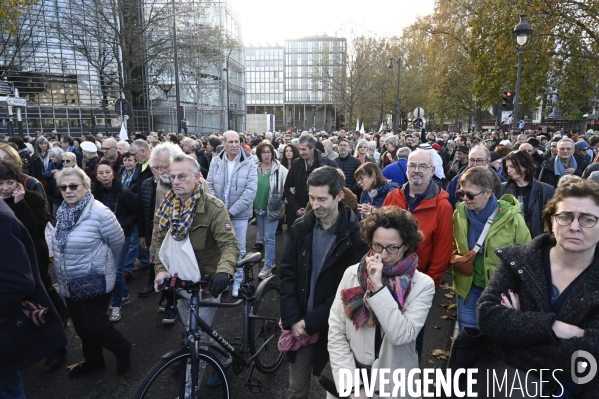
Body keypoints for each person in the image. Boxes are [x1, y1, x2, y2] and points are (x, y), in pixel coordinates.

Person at [478, 179, 599, 397]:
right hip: (505, 384)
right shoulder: (518, 259)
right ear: (551, 220)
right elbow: (489, 317)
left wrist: (518, 328)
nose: (574, 226)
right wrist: (556, 328)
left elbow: (592, 355)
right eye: (565, 216)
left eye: (588, 219)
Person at [327, 207, 435, 398]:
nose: (383, 255)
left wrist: (378, 288)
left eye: (392, 248)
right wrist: (352, 386)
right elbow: (336, 331)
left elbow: (401, 335)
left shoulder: (423, 285)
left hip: (394, 383)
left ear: (407, 245)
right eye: (377, 245)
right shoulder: (352, 274)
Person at [280, 166, 368, 398]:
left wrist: (309, 322)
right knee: (296, 389)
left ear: (339, 195)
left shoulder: (356, 237)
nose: (315, 205)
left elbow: (353, 291)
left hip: (337, 329)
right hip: (300, 324)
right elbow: (287, 275)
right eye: (311, 197)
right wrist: (293, 319)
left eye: (321, 199)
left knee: (339, 390)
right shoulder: (301, 228)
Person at [153, 154, 239, 390]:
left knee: (196, 339)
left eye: (182, 176)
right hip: (181, 284)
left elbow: (229, 244)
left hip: (206, 285)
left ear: (197, 177)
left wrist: (224, 272)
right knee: (198, 333)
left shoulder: (213, 207)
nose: (176, 181)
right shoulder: (168, 206)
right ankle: (224, 359)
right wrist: (160, 271)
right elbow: (161, 244)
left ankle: (190, 391)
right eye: (172, 177)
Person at [52, 167, 130, 377]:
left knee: (94, 324)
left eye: (74, 186)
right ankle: (94, 360)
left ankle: (122, 349)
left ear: (86, 187)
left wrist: (99, 262)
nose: (68, 191)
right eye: (64, 187)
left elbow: (117, 242)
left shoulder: (100, 212)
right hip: (69, 279)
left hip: (95, 277)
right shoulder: (63, 211)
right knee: (81, 327)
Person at [382, 149, 453, 361]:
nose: (416, 171)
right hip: (386, 279)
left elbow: (442, 250)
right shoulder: (392, 197)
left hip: (417, 282)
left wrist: (429, 283)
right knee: (383, 334)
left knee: (412, 338)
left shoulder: (442, 205)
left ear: (432, 171)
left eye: (423, 166)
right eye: (412, 165)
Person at [0, 159, 69, 375]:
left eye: (9, 182)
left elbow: (38, 228)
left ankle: (57, 340)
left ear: (18, 182)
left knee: (43, 295)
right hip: (10, 261)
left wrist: (20, 204)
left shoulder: (33, 199)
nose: (4, 188)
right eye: (0, 183)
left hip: (33, 258)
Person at [452, 166, 531, 331]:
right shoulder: (459, 214)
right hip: (468, 285)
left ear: (488, 193)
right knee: (467, 334)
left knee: (494, 336)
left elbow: (526, 256)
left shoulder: (511, 218)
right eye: (461, 193)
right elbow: (455, 243)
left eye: (470, 194)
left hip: (499, 290)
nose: (465, 198)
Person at [207, 130, 257, 297]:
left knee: (239, 248)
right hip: (218, 215)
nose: (235, 145)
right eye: (231, 142)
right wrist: (219, 210)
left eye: (237, 142)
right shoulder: (216, 161)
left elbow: (250, 191)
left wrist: (231, 211)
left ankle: (237, 281)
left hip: (239, 215)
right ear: (224, 143)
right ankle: (224, 280)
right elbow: (209, 186)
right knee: (219, 247)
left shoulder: (249, 162)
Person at [92, 160, 138, 322]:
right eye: (101, 173)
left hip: (122, 235)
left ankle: (116, 305)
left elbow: (135, 214)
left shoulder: (124, 192)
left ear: (113, 174)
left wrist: (120, 226)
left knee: (117, 270)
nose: (105, 176)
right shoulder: (93, 193)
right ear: (96, 176)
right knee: (105, 268)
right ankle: (124, 293)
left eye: (107, 172)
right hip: (101, 236)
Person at [284, 133, 338, 232]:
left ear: (312, 148)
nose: (300, 152)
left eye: (303, 149)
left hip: (319, 214)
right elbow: (287, 187)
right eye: (299, 149)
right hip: (298, 214)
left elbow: (335, 190)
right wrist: (296, 208)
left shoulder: (327, 164)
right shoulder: (296, 164)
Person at [499, 150, 555, 238]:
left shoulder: (547, 190)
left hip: (537, 241)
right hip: (511, 240)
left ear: (525, 166)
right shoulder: (501, 189)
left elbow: (551, 221)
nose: (509, 170)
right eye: (507, 167)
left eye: (512, 166)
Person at [253, 141, 288, 279]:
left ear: (273, 154)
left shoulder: (280, 169)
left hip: (273, 208)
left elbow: (288, 185)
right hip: (258, 207)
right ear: (259, 154)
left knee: (269, 237)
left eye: (269, 152)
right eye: (263, 152)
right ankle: (271, 260)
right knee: (263, 235)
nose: (266, 155)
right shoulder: (254, 167)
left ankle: (267, 266)